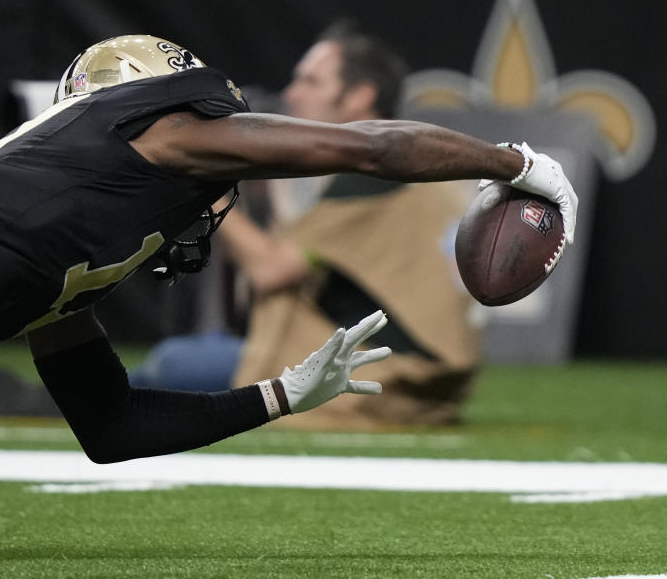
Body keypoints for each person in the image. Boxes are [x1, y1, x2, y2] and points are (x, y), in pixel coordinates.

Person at [0, 11, 578, 464]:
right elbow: (374, 147)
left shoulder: (80, 264)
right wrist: (515, 161)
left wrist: (278, 398)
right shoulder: (161, 129)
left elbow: (112, 426)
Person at [131, 22, 483, 428]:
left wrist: (198, 182)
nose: (292, 94)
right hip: (416, 371)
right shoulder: (407, 174)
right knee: (189, 360)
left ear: (359, 96)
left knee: (173, 363)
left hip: (384, 370)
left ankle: (74, 404)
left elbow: (271, 270)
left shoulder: (370, 178)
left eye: (311, 81)